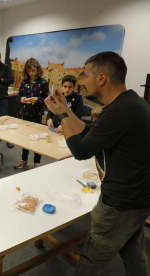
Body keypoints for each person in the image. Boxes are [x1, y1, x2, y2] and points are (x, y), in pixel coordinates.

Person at [44, 51, 150, 276]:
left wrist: (60, 115)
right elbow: (91, 133)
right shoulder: (132, 103)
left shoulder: (118, 112)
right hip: (138, 199)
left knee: (90, 261)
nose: (82, 82)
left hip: (119, 205)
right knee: (134, 254)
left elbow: (81, 150)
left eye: (86, 77)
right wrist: (67, 110)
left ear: (101, 78)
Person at [15, 58, 49, 169]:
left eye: (33, 70)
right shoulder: (24, 82)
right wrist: (22, 99)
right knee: (25, 138)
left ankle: (37, 163)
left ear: (38, 69)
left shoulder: (43, 82)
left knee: (36, 138)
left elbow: (47, 100)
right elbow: (18, 98)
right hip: (25, 114)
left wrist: (38, 100)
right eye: (29, 71)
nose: (31, 73)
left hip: (37, 115)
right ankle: (24, 160)